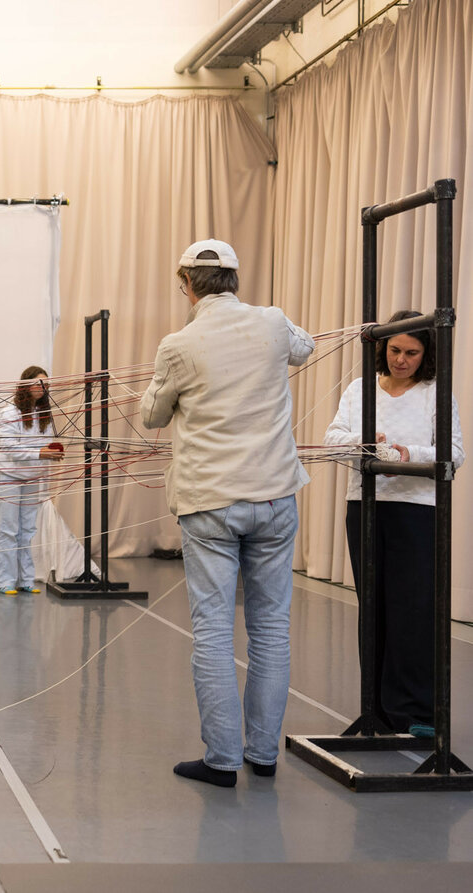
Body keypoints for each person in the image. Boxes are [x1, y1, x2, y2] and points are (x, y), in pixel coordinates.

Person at [140, 238, 315, 787]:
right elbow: (304, 347)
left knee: (213, 631)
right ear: (236, 280)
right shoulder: (271, 322)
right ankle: (263, 754)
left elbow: (151, 416)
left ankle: (222, 760)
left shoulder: (178, 344)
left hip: (210, 503)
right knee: (271, 629)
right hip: (274, 497)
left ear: (186, 284)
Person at [323, 309, 464, 739]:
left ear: (427, 354)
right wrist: (366, 445)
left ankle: (417, 712)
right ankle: (378, 710)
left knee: (414, 609)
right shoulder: (359, 389)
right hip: (364, 507)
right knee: (374, 606)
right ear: (383, 348)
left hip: (417, 510)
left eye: (412, 352)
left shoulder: (437, 392)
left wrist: (405, 455)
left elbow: (452, 454)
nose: (402, 359)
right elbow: (332, 439)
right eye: (396, 350)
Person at [0, 366, 65, 595]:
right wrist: (41, 454)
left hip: (32, 478)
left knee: (28, 530)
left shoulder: (44, 415)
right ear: (26, 385)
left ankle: (26, 579)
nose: (43, 388)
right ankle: (5, 581)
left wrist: (50, 454)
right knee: (8, 530)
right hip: (8, 477)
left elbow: (42, 446)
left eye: (46, 384)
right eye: (38, 383)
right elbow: (9, 447)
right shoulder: (10, 413)